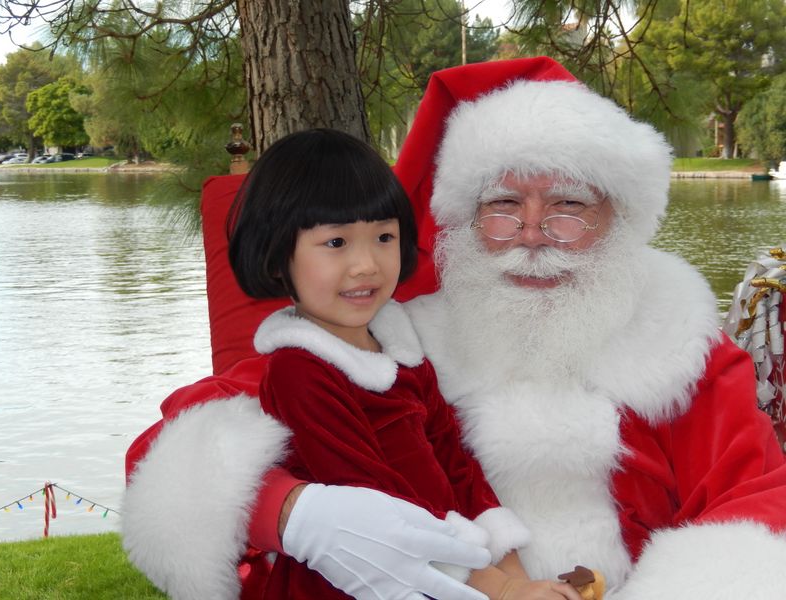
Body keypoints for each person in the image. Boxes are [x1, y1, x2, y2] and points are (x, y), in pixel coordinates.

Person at [122, 57, 786, 600]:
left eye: (569, 207)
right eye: (503, 205)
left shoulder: (675, 339)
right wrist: (294, 515)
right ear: (462, 222)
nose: (531, 235)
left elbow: (758, 498)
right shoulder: (398, 332)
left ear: (620, 220)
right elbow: (180, 437)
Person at [223, 127, 574, 600]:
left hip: (451, 567)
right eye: (336, 244)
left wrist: (515, 572)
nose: (367, 264)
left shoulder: (400, 351)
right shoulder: (300, 371)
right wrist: (502, 592)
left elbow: (456, 464)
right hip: (362, 580)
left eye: (383, 236)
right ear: (276, 258)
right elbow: (377, 516)